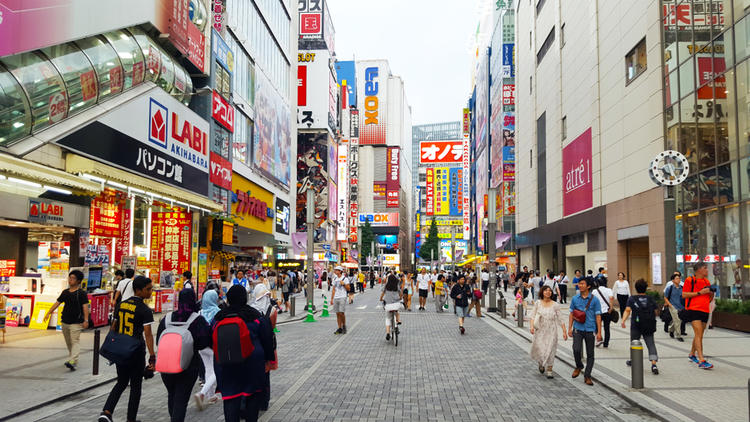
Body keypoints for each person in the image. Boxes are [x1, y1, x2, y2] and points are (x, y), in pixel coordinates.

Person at [98, 276, 155, 422]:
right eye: (148, 289)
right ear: (138, 290)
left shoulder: (121, 305)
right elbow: (148, 334)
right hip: (136, 351)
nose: (151, 291)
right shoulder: (144, 309)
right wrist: (152, 356)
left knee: (122, 381)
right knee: (136, 386)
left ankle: (106, 412)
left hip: (121, 350)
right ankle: (131, 419)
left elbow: (113, 327)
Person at [213, 285, 274, 422]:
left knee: (230, 399)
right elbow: (267, 338)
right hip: (253, 364)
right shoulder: (255, 316)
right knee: (253, 398)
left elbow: (210, 339)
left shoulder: (219, 318)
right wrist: (269, 359)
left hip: (226, 364)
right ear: (245, 298)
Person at [156, 289, 210, 422]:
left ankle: (173, 417)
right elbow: (204, 343)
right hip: (189, 366)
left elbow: (159, 340)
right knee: (181, 399)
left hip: (166, 365)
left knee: (172, 395)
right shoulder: (198, 320)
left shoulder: (167, 319)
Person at [44, 270, 89, 370]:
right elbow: (57, 303)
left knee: (75, 341)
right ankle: (72, 359)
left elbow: (85, 307)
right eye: (70, 278)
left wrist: (86, 320)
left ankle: (73, 360)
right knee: (69, 342)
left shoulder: (81, 293)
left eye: (73, 278)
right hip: (65, 321)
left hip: (76, 322)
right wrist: (48, 312)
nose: (70, 280)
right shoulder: (65, 292)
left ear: (78, 281)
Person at [621, 279, 660, 375]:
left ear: (636, 288)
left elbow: (627, 310)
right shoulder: (650, 298)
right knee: (651, 344)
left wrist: (623, 320)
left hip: (636, 325)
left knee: (634, 342)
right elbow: (656, 311)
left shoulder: (632, 299)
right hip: (648, 325)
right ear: (645, 288)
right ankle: (654, 364)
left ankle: (633, 360)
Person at [568, 277, 602, 386]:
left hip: (590, 329)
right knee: (576, 349)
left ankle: (587, 376)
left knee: (590, 354)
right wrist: (569, 328)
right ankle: (579, 366)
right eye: (579, 283)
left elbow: (598, 316)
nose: (580, 285)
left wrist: (599, 332)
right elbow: (571, 314)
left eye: (582, 284)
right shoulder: (575, 299)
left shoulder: (595, 300)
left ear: (588, 286)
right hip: (578, 328)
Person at [530, 285, 568, 378]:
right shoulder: (538, 303)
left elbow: (561, 319)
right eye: (546, 290)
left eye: (550, 291)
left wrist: (564, 331)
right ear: (542, 292)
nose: (548, 292)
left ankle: (550, 370)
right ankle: (541, 363)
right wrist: (531, 327)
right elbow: (532, 316)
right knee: (540, 348)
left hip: (551, 330)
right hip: (540, 330)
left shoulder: (555, 305)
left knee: (551, 349)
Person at [250, 284, 278, 412]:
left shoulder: (250, 309)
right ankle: (264, 401)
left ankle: (253, 399)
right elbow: (272, 327)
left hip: (254, 344)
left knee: (253, 372)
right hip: (268, 343)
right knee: (266, 374)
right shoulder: (272, 310)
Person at [682, 262, 714, 369]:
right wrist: (700, 292)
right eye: (705, 268)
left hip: (705, 310)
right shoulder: (690, 280)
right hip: (693, 309)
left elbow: (709, 298)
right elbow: (684, 294)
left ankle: (691, 354)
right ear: (699, 270)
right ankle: (701, 360)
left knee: (699, 335)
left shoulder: (706, 281)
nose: (707, 270)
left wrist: (710, 293)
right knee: (699, 334)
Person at [194, 289, 221, 410]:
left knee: (208, 368)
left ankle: (211, 396)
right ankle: (202, 393)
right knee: (217, 370)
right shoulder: (217, 312)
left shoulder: (200, 312)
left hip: (201, 346)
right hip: (213, 345)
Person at [591, 278, 614, 348]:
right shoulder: (609, 290)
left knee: (596, 327)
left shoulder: (594, 291)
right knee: (607, 328)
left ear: (597, 283)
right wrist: (611, 307)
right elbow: (611, 298)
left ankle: (599, 339)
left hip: (598, 312)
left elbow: (592, 300)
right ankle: (606, 343)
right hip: (607, 311)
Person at [379, 272, 403, 341]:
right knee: (397, 311)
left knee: (388, 318)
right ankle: (398, 320)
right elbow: (400, 293)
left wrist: (381, 299)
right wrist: (400, 298)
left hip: (388, 305)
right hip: (396, 304)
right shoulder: (397, 285)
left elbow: (382, 293)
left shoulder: (386, 286)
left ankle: (388, 333)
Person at [663, 273, 687, 342]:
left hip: (681, 306)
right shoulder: (669, 288)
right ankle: (678, 335)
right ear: (673, 280)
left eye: (679, 278)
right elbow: (665, 297)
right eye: (677, 278)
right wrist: (670, 305)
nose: (679, 280)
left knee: (678, 320)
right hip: (673, 306)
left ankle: (671, 329)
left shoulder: (682, 288)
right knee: (677, 320)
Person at [331, 266, 350, 334]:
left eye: (336, 270)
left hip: (342, 296)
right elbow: (333, 289)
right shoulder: (335, 278)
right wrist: (332, 299)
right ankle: (339, 328)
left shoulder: (345, 278)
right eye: (335, 270)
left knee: (342, 312)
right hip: (336, 297)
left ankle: (344, 325)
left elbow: (348, 288)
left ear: (340, 271)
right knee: (337, 313)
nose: (335, 271)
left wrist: (344, 284)